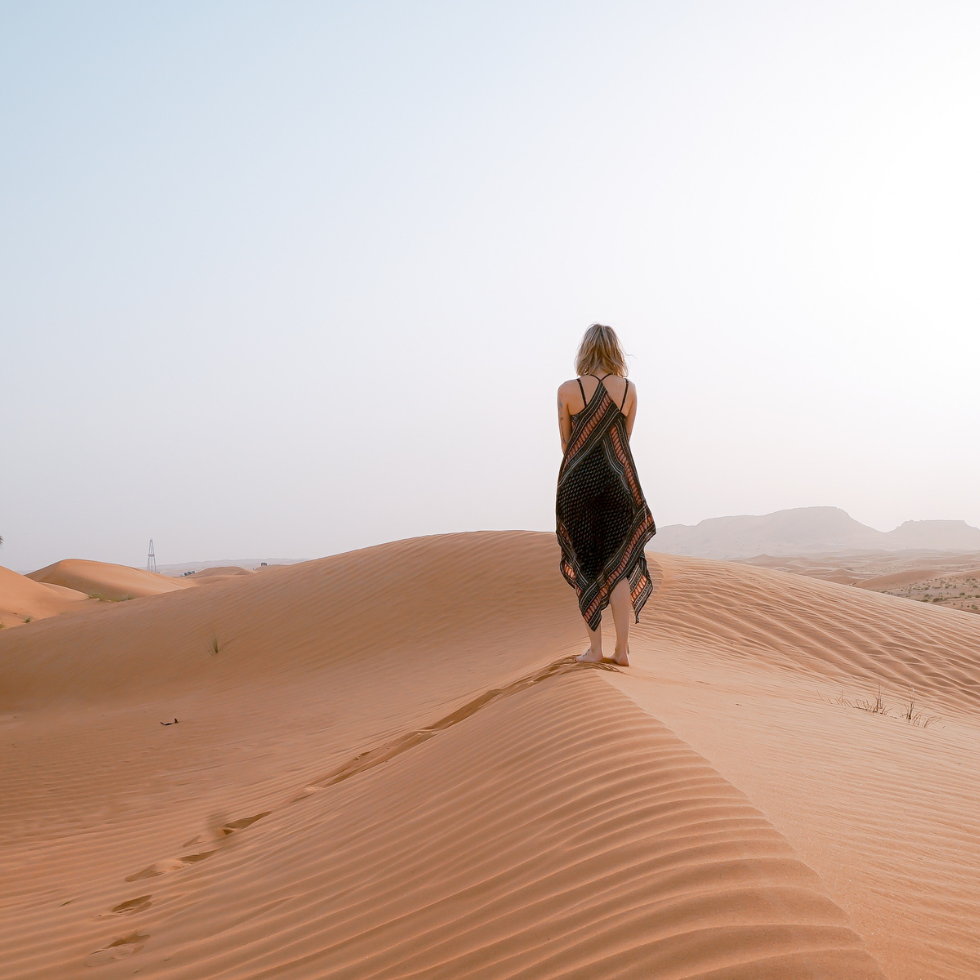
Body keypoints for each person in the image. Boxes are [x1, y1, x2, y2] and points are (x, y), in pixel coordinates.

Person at [556, 324, 657, 666]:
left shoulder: (567, 390)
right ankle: (622, 650)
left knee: (587, 565)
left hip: (578, 488)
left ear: (584, 350)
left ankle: (595, 649)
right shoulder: (629, 390)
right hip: (618, 486)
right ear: (615, 350)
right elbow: (623, 442)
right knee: (619, 569)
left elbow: (567, 445)